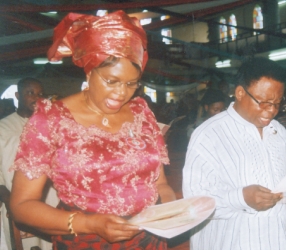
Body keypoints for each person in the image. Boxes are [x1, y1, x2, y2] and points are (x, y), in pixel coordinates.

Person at [10, 11, 175, 249]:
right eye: (111, 81)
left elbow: (160, 185)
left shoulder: (141, 113)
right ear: (90, 70)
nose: (122, 93)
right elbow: (22, 206)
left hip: (149, 240)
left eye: (131, 84)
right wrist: (91, 224)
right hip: (87, 241)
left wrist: (170, 210)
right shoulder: (51, 120)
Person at [183, 58, 286, 249]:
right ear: (240, 93)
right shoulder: (209, 134)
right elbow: (195, 203)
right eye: (263, 102)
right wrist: (241, 198)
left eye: (277, 103)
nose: (271, 111)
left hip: (278, 240)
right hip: (233, 242)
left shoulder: (277, 130)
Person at [0, 78, 59, 250]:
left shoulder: (51, 125)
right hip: (18, 203)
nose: (37, 98)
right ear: (18, 95)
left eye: (40, 94)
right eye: (30, 93)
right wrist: (11, 201)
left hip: (51, 201)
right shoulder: (3, 128)